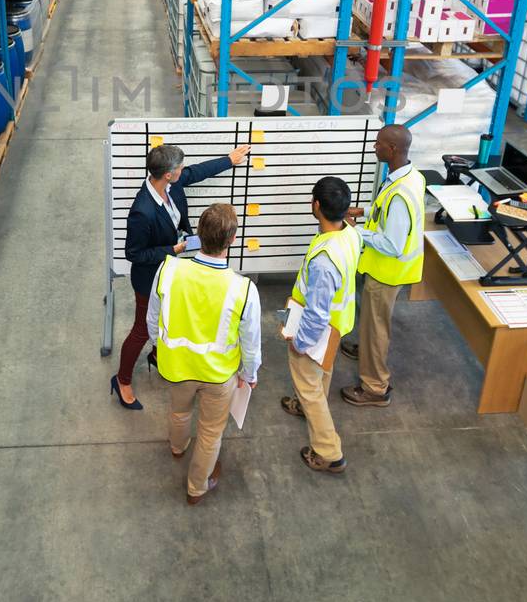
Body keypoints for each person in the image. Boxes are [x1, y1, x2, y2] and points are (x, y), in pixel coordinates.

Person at [112, 140, 251, 409]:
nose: (183, 170)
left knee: (165, 318)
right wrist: (171, 249)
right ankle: (122, 379)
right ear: (168, 174)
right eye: (180, 168)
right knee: (141, 329)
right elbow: (134, 254)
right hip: (149, 277)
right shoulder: (142, 211)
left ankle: (156, 354)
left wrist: (229, 159)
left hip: (169, 270)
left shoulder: (169, 185)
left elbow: (197, 172)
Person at [146, 203, 260, 504]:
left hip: (177, 368)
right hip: (218, 375)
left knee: (179, 411)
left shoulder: (169, 269)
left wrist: (158, 348)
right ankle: (197, 487)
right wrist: (250, 374)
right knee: (210, 432)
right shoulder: (243, 289)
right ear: (232, 239)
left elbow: (152, 317)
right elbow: (250, 341)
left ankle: (177, 446)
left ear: (199, 233)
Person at [339, 123, 425, 408]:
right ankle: (365, 349)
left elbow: (392, 244)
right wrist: (363, 211)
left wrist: (355, 230)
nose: (374, 147)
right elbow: (389, 214)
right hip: (386, 269)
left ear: (392, 149)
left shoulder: (400, 193)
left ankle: (375, 387)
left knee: (377, 329)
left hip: (387, 272)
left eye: (378, 144)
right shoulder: (409, 177)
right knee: (371, 324)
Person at [281, 176, 360, 474]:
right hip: (337, 328)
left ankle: (329, 452)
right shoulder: (350, 234)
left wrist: (300, 342)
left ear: (316, 205)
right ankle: (304, 405)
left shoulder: (325, 260)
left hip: (317, 331)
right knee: (321, 374)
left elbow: (316, 312)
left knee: (309, 385)